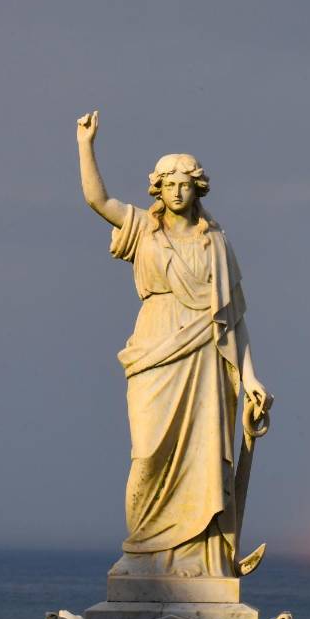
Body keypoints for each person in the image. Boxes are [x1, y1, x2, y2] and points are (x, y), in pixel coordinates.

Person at [75, 110, 272, 578]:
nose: (177, 191)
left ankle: (198, 559)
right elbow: (96, 199)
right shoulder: (142, 228)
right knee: (147, 453)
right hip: (155, 349)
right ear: (157, 189)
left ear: (197, 188)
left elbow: (233, 320)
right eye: (169, 184)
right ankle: (142, 553)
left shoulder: (216, 244)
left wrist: (250, 379)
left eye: (185, 183)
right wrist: (86, 145)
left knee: (203, 460)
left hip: (206, 358)